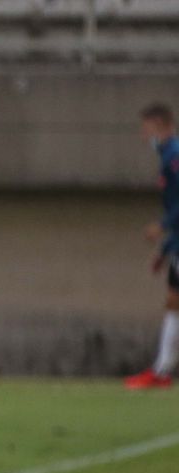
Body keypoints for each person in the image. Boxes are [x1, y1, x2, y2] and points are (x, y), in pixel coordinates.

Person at [125, 102, 179, 391]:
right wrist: (165, 250)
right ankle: (161, 371)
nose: (145, 137)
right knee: (174, 302)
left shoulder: (175, 157)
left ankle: (161, 371)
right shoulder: (168, 157)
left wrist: (163, 225)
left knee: (174, 302)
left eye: (148, 129)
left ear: (162, 126)